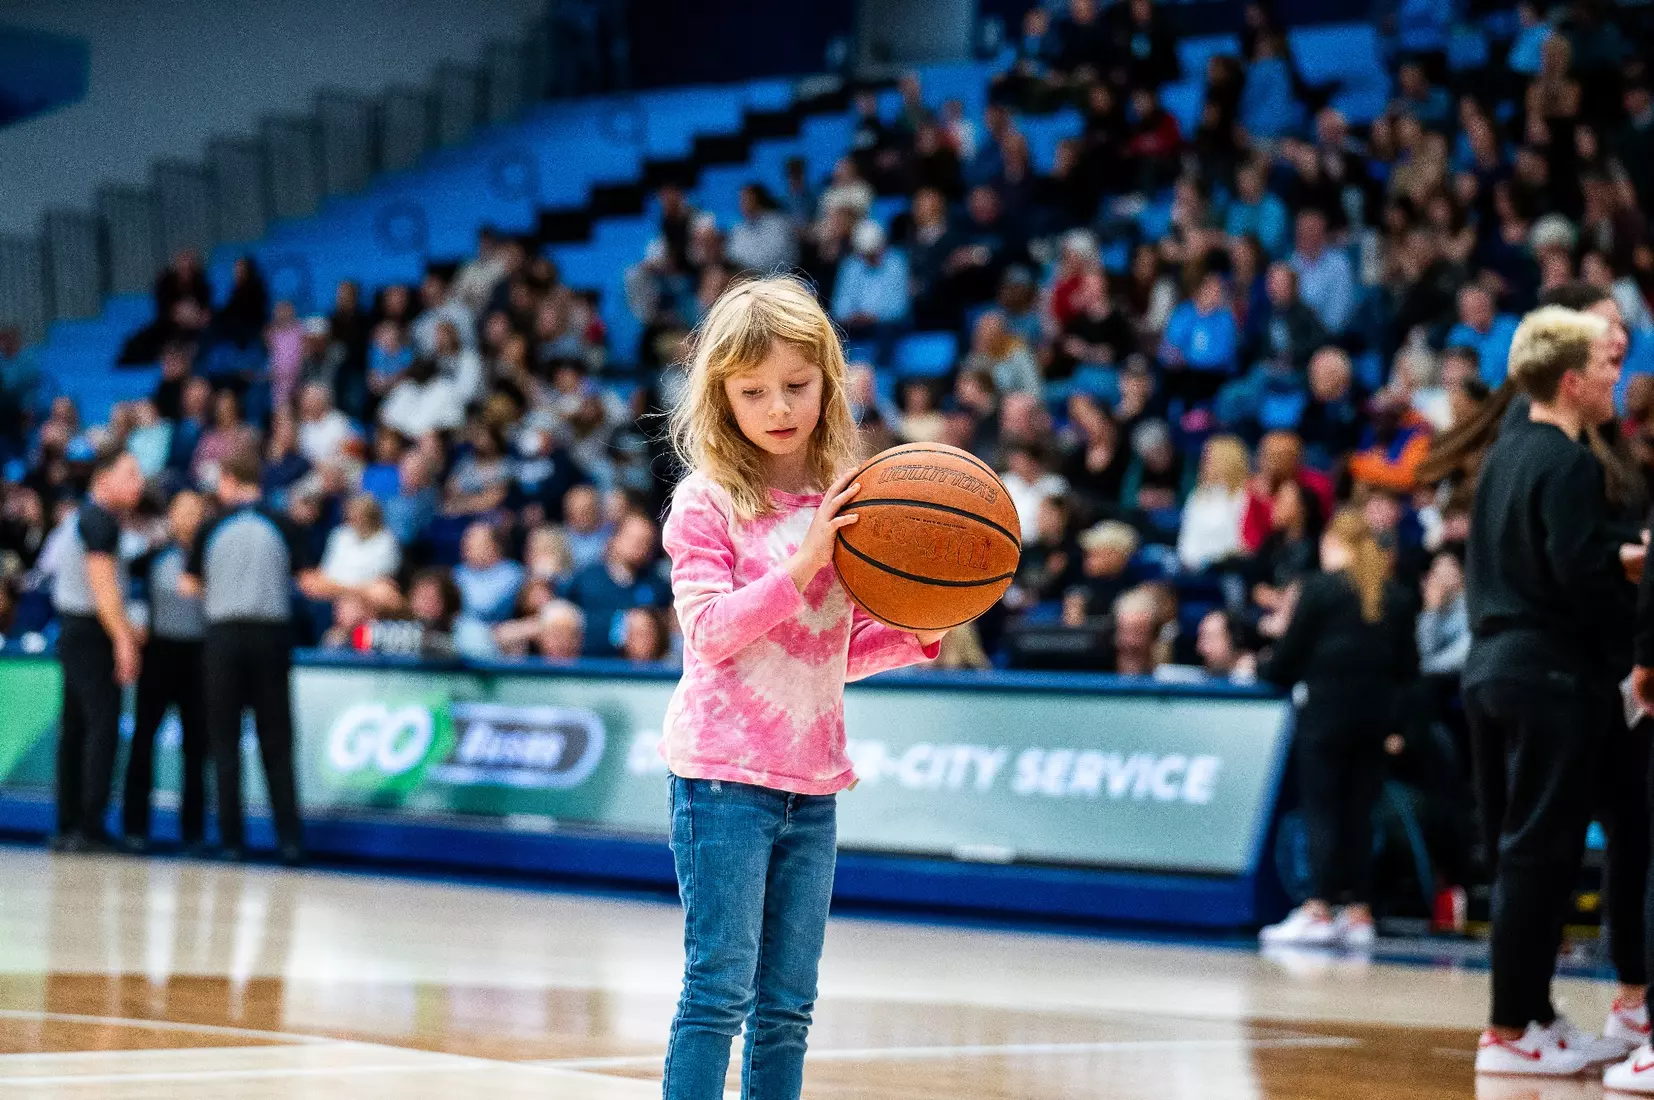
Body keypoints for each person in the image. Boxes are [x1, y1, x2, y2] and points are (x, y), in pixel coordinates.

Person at [658, 275, 942, 1100]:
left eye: (796, 384)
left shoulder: (845, 501)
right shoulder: (706, 502)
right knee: (718, 993)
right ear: (722, 399)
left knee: (788, 1008)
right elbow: (711, 633)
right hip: (721, 782)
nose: (779, 406)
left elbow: (832, 648)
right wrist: (807, 559)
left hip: (811, 782)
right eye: (754, 392)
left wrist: (919, 632)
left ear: (830, 381)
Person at [1463, 307, 1639, 1077]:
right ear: (1571, 381)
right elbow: (1575, 574)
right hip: (1552, 673)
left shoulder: (1506, 454)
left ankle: (1531, 1014)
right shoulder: (1568, 462)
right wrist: (1635, 630)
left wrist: (1614, 558)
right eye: (1604, 368)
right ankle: (1510, 1028)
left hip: (1494, 664)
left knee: (1531, 848)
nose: (1615, 380)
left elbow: (1548, 553)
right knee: (1541, 851)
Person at [1258, 508, 1418, 950]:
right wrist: (1398, 724)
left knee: (1324, 809)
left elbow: (1288, 658)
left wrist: (1265, 666)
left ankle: (1320, 908)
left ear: (1336, 542)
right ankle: (1360, 911)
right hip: (1375, 720)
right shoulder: (1397, 596)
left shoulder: (1321, 589)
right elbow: (1410, 670)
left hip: (1326, 716)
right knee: (1359, 814)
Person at [180, 444, 323, 865]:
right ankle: (290, 842)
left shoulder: (211, 527)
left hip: (222, 638)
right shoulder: (282, 523)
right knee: (277, 742)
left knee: (225, 743)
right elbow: (310, 584)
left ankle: (231, 842)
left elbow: (188, 586)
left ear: (227, 480)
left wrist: (221, 588)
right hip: (270, 638)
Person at [49, 450, 146, 852]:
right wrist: (123, 638)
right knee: (101, 727)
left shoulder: (85, 518)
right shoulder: (99, 520)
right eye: (130, 474)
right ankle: (89, 826)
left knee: (75, 728)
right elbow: (103, 587)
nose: (138, 483)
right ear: (103, 480)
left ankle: (70, 823)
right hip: (91, 633)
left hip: (75, 629)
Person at [123, 490, 209, 852]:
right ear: (170, 516)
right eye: (181, 510)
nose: (188, 518)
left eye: (195, 511)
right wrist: (136, 623)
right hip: (159, 654)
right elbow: (130, 587)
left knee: (196, 748)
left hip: (199, 657)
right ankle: (135, 828)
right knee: (144, 740)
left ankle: (193, 833)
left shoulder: (210, 556)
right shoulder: (152, 556)